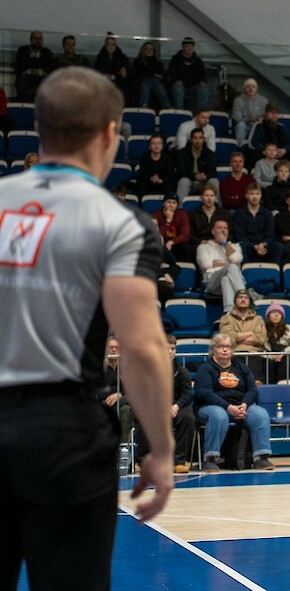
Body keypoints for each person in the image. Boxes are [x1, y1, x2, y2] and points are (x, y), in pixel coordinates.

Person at [1, 68, 177, 585]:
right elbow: (142, 347)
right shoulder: (120, 223)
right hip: (61, 436)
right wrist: (161, 451)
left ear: (39, 129)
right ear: (109, 134)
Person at [193, 333, 275, 471]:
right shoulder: (205, 368)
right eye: (221, 347)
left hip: (240, 405)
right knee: (219, 415)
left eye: (228, 347)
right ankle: (211, 458)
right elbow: (204, 393)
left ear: (233, 350)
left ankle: (261, 457)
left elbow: (252, 390)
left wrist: (244, 405)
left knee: (260, 414)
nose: (225, 350)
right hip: (210, 406)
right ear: (213, 349)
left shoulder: (242, 367)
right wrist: (228, 407)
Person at [135, 336, 196, 475]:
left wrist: (177, 406)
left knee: (188, 417)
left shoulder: (182, 372)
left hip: (174, 408)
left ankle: (179, 461)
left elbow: (187, 394)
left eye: (173, 349)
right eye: (166, 348)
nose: (170, 352)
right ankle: (145, 460)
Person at [196, 218, 247, 311]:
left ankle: (228, 312)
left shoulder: (234, 246)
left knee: (226, 279)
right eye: (219, 228)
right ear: (213, 231)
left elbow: (237, 259)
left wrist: (224, 243)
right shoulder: (204, 247)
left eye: (225, 228)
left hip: (231, 281)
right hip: (212, 281)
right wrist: (230, 264)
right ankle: (245, 298)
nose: (223, 230)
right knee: (232, 267)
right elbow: (206, 264)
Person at [219, 289, 269, 383]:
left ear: (249, 301)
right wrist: (250, 333)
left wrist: (237, 338)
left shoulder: (258, 319)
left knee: (255, 382)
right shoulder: (226, 318)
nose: (243, 299)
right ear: (235, 301)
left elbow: (261, 339)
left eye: (246, 297)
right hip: (234, 354)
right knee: (237, 383)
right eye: (240, 297)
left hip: (254, 354)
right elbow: (227, 338)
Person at [264, 302, 290, 383]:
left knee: (287, 358)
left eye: (279, 313)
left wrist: (284, 352)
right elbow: (263, 350)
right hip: (275, 359)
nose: (276, 315)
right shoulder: (264, 330)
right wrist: (274, 356)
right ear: (268, 315)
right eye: (273, 312)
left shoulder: (289, 328)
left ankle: (280, 382)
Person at [167, 37, 209, 112]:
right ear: (183, 47)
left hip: (193, 87)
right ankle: (180, 113)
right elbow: (171, 74)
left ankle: (201, 113)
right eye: (187, 46)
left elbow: (202, 75)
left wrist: (202, 82)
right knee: (178, 89)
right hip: (179, 86)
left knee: (204, 89)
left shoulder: (198, 61)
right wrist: (176, 81)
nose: (189, 48)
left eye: (191, 46)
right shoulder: (175, 59)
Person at [231, 79, 268, 143]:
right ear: (244, 89)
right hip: (245, 126)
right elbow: (237, 118)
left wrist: (259, 119)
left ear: (256, 88)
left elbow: (267, 116)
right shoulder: (238, 100)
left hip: (258, 126)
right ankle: (240, 147)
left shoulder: (264, 101)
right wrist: (249, 119)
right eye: (248, 86)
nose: (251, 89)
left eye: (253, 86)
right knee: (240, 125)